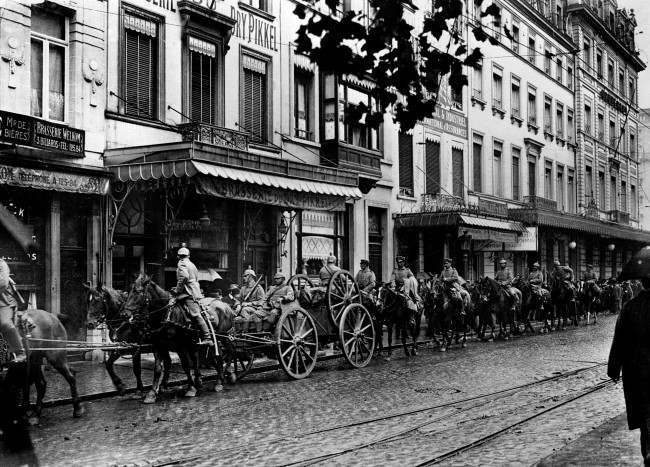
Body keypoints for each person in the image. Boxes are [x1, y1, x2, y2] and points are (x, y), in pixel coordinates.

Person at [608, 277, 650, 465]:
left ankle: (647, 453)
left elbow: (620, 340)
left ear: (642, 283)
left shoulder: (630, 307)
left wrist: (614, 369)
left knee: (644, 417)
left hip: (638, 372)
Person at [172, 246, 212, 346]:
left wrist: (177, 289)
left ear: (179, 256)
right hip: (194, 290)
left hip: (188, 293)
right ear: (188, 255)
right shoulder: (192, 264)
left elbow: (184, 277)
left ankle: (207, 337)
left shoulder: (181, 263)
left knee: (195, 314)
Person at [0, 258, 25, 364]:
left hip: (4, 302)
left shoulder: (1, 264)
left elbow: (2, 283)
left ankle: (20, 352)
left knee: (5, 323)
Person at [239, 267, 266, 332]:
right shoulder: (243, 288)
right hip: (243, 307)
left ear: (250, 276)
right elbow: (239, 299)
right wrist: (237, 305)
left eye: (245, 276)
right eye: (243, 276)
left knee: (244, 310)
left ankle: (245, 332)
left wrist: (249, 303)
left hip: (255, 308)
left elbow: (262, 301)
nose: (243, 278)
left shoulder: (258, 288)